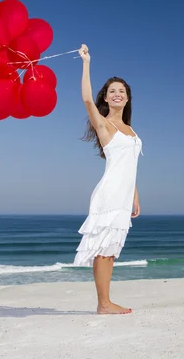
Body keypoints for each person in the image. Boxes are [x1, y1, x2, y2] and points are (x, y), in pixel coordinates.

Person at [73, 44, 143, 315]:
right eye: (112, 91)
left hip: (124, 195)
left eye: (121, 92)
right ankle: (103, 304)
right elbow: (87, 100)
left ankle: (106, 302)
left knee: (111, 249)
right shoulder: (104, 123)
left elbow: (129, 166)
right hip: (110, 194)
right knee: (104, 248)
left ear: (127, 99)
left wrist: (135, 195)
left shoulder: (130, 128)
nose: (117, 94)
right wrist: (86, 63)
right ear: (107, 96)